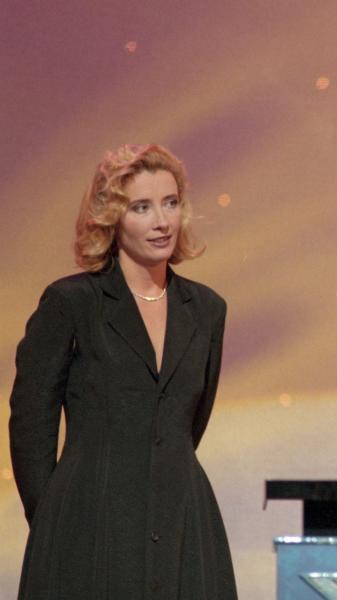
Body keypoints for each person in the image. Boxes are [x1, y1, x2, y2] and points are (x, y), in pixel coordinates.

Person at [9, 144, 237, 598]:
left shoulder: (206, 309)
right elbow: (31, 424)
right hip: (89, 519)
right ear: (111, 218)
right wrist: (59, 518)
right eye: (141, 207)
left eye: (170, 203)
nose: (162, 221)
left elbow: (188, 421)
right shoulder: (72, 303)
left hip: (182, 522)